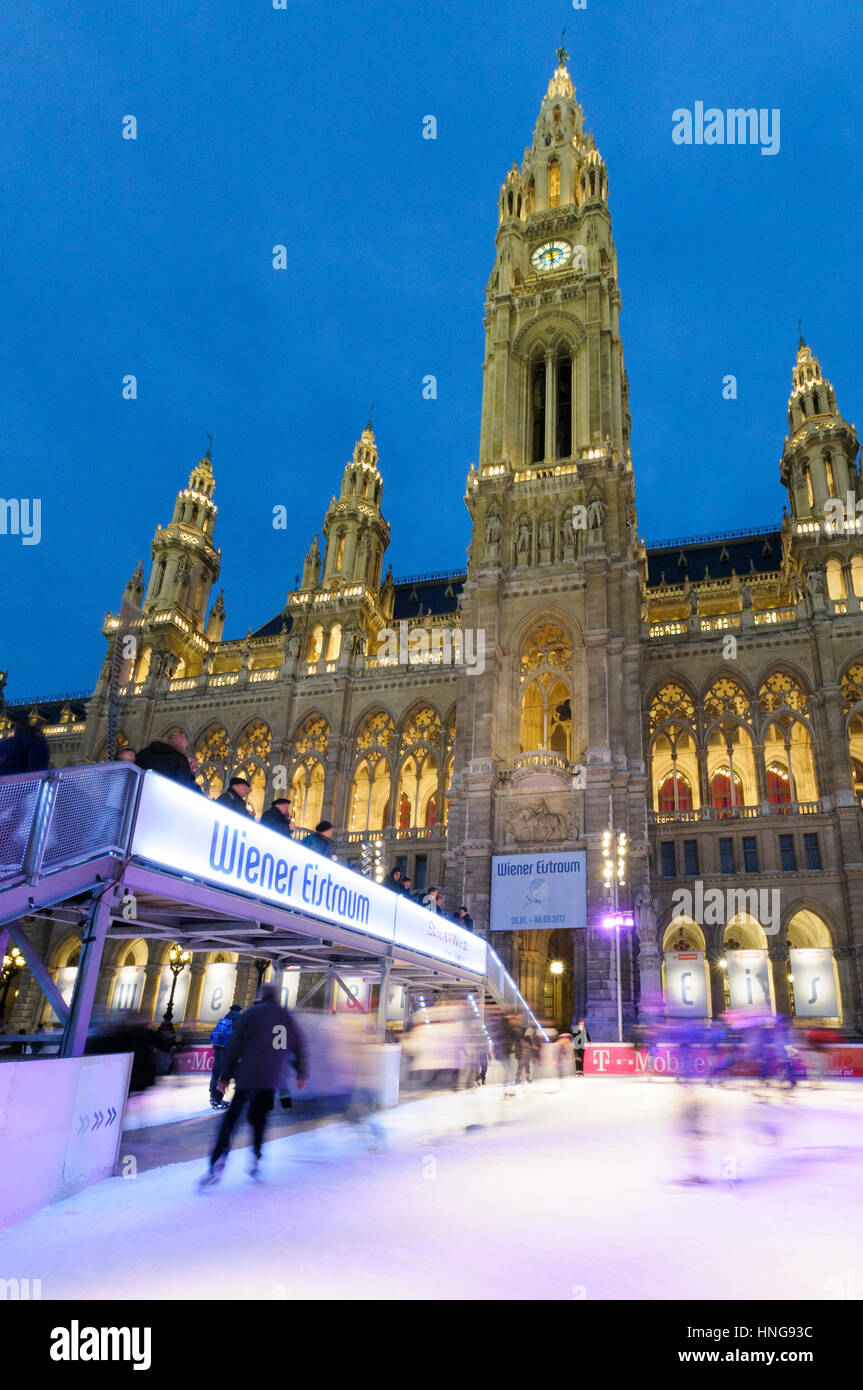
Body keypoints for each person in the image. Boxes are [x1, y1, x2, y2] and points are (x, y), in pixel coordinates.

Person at [199, 983, 308, 1186]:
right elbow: (297, 1045)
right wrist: (301, 1071)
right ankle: (257, 1157)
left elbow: (234, 1047)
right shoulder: (285, 1017)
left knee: (231, 1120)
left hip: (247, 1076)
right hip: (270, 1079)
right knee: (259, 1120)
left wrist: (225, 1076)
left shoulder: (251, 1015)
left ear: (261, 996)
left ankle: (218, 1161)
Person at [136, 729, 201, 792]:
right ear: (180, 744)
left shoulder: (145, 751)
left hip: (138, 792)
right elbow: (185, 787)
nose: (186, 750)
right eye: (185, 746)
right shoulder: (180, 760)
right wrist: (193, 782)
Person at [208, 1003, 243, 1110]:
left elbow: (213, 1036)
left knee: (215, 1074)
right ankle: (224, 1099)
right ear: (239, 1011)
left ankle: (214, 1097)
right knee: (226, 1076)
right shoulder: (238, 1020)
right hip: (229, 1051)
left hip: (218, 1050)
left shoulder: (223, 1020)